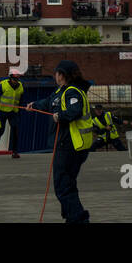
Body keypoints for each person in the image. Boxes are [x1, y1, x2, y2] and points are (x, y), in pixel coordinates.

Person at [31, 60, 95, 223]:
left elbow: (74, 111)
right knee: (68, 184)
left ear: (62, 75)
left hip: (69, 145)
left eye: (56, 73)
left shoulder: (72, 92)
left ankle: (79, 219)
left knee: (62, 186)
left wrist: (61, 116)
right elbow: (49, 103)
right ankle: (71, 217)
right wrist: (34, 105)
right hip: (69, 145)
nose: (55, 76)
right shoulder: (61, 91)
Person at [0, 68, 23, 158]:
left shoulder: (21, 86)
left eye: (17, 80)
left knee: (15, 130)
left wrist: (20, 110)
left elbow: (20, 99)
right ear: (10, 78)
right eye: (14, 79)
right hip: (2, 111)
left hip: (13, 112)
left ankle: (15, 152)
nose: (16, 81)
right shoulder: (3, 85)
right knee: (1, 130)